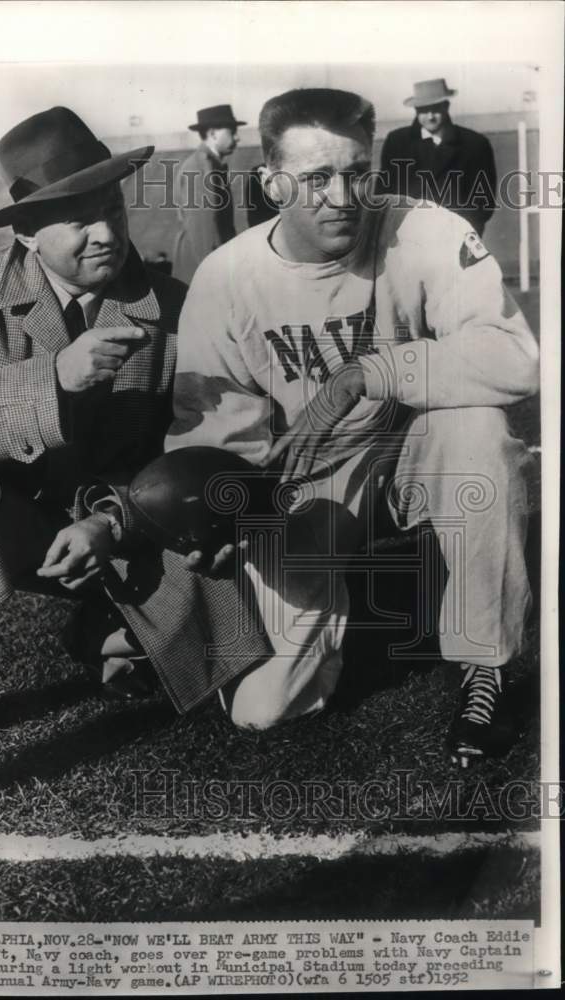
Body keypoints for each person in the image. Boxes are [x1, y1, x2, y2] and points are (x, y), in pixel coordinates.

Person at [0, 106, 270, 760]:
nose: (105, 234)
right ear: (28, 232)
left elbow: (197, 451)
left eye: (112, 211)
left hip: (121, 530)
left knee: (248, 662)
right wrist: (53, 377)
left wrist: (113, 522)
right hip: (3, 523)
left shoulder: (175, 308)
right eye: (79, 219)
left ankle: (106, 635)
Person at [166, 88, 538, 766]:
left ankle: (484, 664)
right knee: (264, 711)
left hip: (413, 445)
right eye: (316, 178)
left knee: (479, 430)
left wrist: (368, 373)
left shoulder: (425, 230)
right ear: (273, 182)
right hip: (306, 479)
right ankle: (384, 589)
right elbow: (218, 436)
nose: (342, 196)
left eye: (357, 171)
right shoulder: (227, 278)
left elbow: (515, 358)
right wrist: (227, 518)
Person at [380, 78, 497, 235]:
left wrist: (464, 235)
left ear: (446, 106)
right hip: (408, 237)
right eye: (423, 110)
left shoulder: (475, 144)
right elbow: (383, 195)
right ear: (415, 110)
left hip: (456, 236)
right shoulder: (397, 142)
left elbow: (484, 202)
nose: (430, 117)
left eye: (435, 109)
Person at [172, 104, 245, 283]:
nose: (237, 137)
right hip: (202, 267)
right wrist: (216, 276)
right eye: (232, 131)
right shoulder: (201, 168)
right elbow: (203, 229)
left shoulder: (211, 165)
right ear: (213, 134)